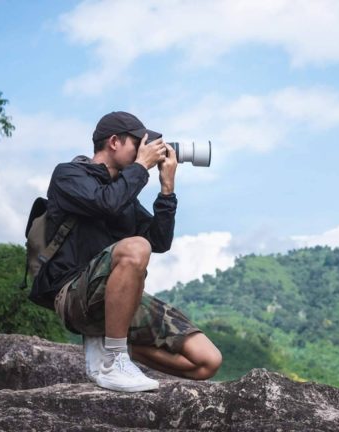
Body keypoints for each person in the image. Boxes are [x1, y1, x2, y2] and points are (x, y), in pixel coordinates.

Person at [30, 111, 222, 392]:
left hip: (117, 299)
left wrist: (167, 189)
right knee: (135, 247)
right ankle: (113, 361)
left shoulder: (124, 193)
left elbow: (159, 241)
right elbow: (104, 203)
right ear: (114, 142)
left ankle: (113, 343)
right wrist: (141, 167)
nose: (143, 151)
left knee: (207, 361)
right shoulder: (69, 175)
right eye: (138, 143)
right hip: (71, 294)